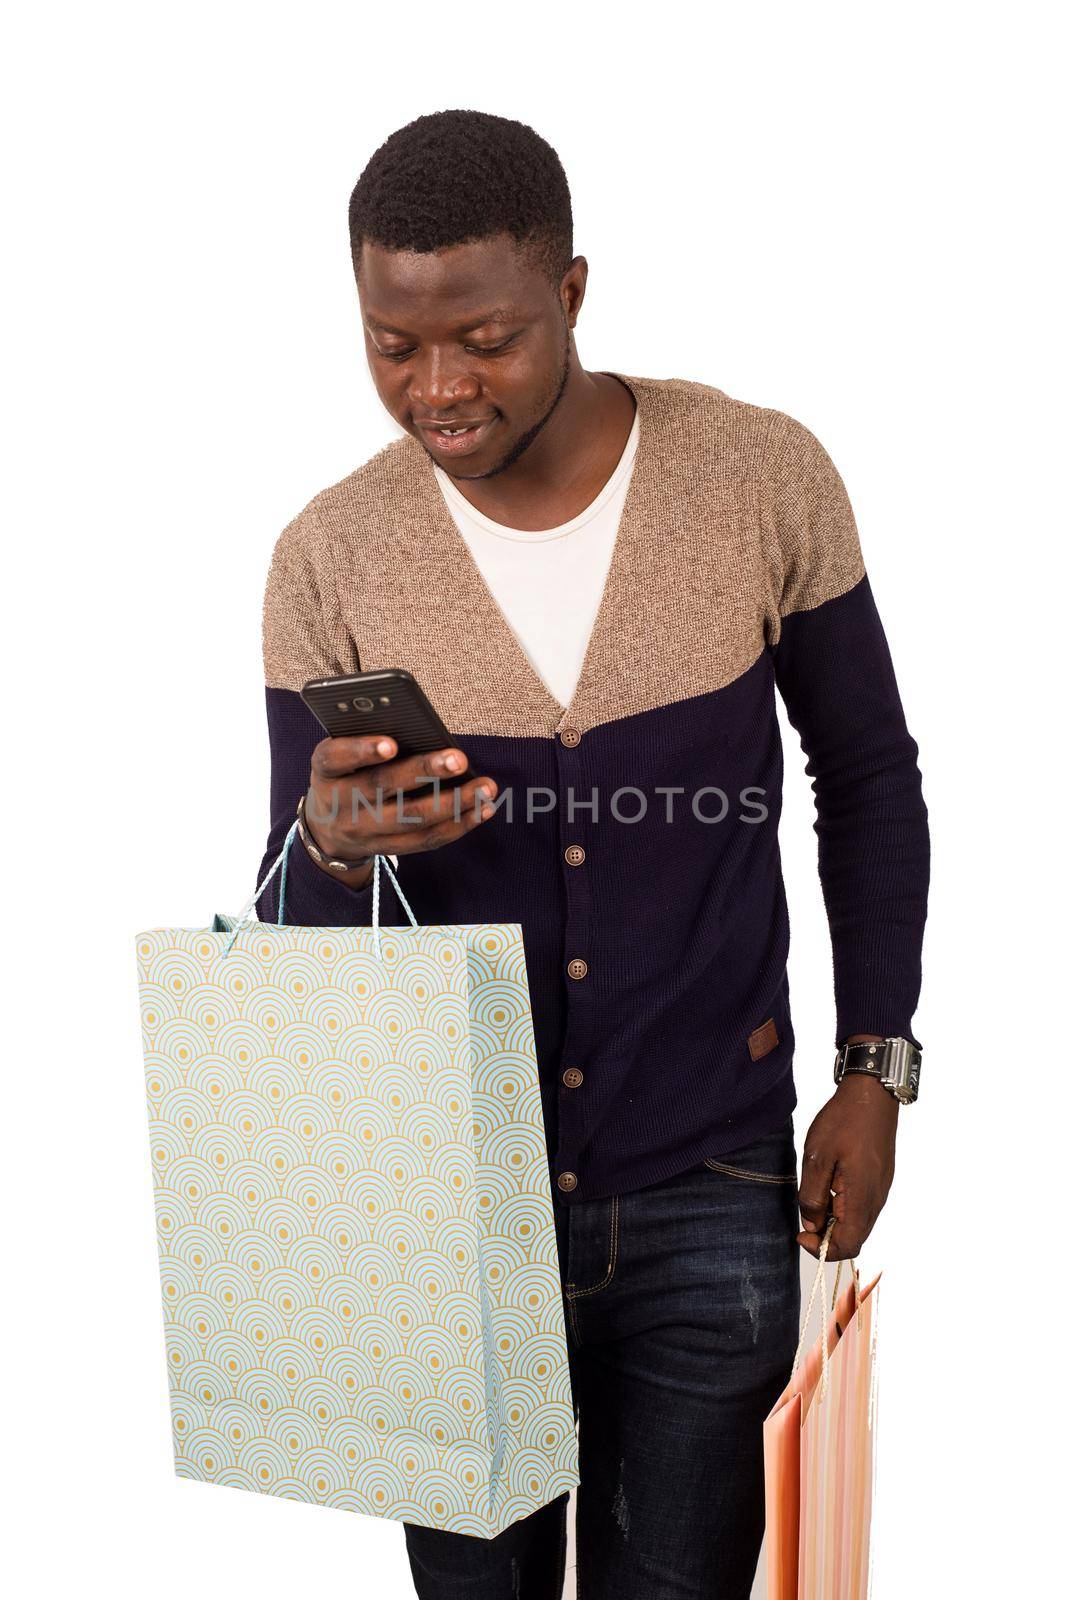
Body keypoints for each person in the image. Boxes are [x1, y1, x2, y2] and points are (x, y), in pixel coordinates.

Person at [257, 109, 929, 1600]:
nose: (437, 388)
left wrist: (877, 1069)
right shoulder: (331, 557)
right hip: (454, 1211)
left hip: (712, 1180)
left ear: (569, 289)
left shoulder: (757, 476)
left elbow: (869, 776)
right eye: (390, 344)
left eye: (482, 338)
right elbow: (292, 920)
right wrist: (331, 844)